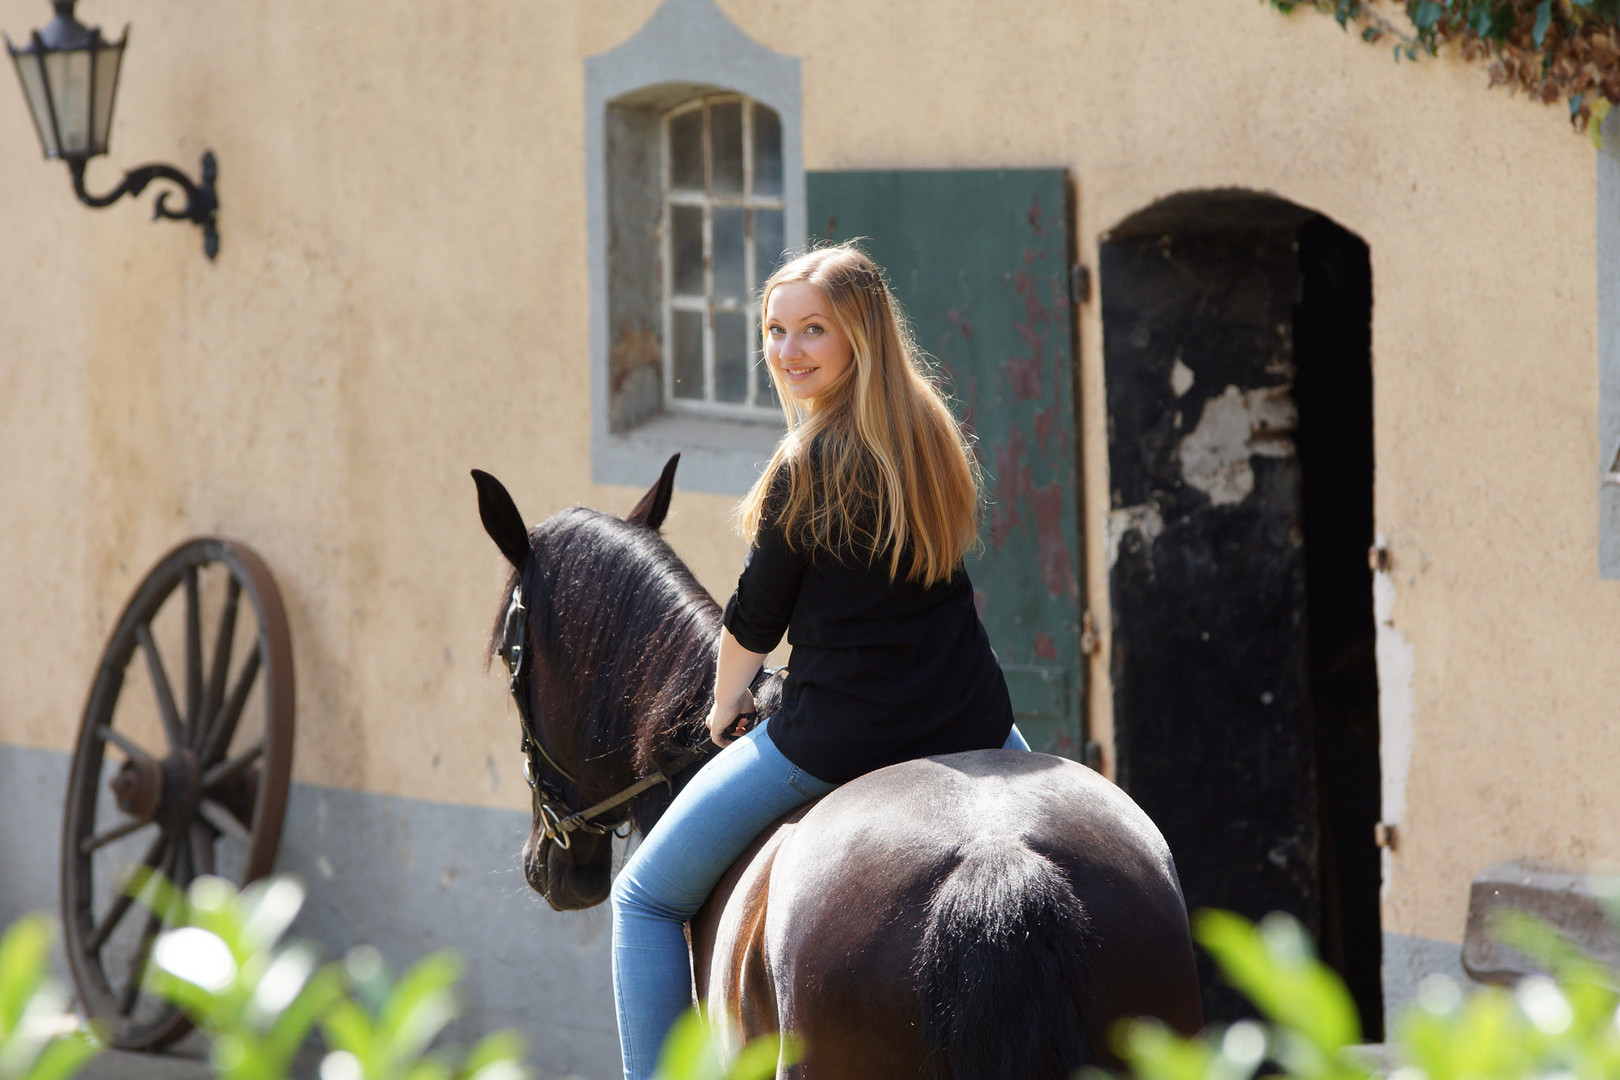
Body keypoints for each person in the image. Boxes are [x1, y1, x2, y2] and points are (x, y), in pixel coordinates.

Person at [609, 243, 1027, 1080]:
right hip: (973, 716)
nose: (789, 351)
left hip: (839, 736)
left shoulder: (807, 463)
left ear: (858, 338)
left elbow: (755, 620)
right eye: (774, 331)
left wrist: (724, 706)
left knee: (643, 901)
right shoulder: (935, 436)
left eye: (812, 331)